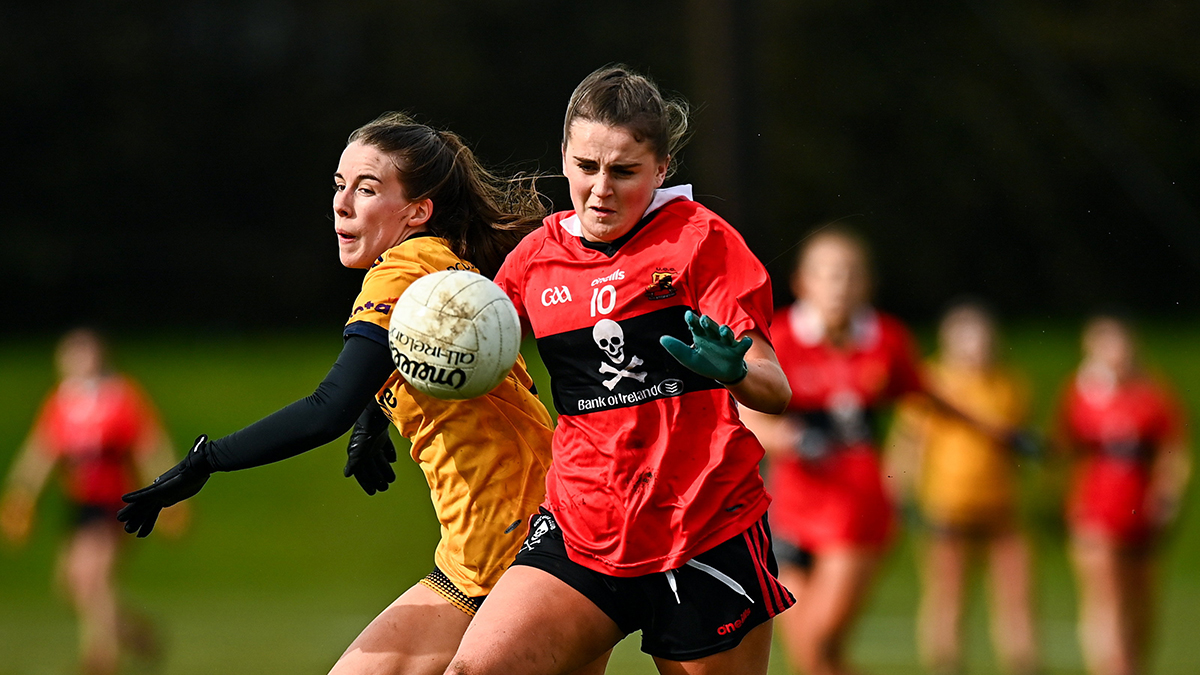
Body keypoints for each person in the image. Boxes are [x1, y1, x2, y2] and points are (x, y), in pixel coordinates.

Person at [116, 113, 556, 675]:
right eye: (338, 186)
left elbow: (326, 408)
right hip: (499, 538)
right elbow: (438, 364)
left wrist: (208, 460)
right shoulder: (439, 264)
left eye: (367, 189)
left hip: (510, 539)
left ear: (418, 211)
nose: (342, 204)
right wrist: (377, 415)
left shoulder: (399, 273)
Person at [440, 65, 794, 675]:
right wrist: (380, 395)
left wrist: (734, 372)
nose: (600, 188)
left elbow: (776, 389)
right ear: (565, 158)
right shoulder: (538, 257)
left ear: (661, 171)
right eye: (585, 166)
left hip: (703, 529)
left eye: (624, 171)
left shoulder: (700, 241)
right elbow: (471, 353)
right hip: (580, 531)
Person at [0, 328, 184, 675]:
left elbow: (150, 444)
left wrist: (169, 492)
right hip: (79, 505)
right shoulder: (62, 401)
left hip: (114, 502)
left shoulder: (121, 397)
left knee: (94, 578)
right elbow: (42, 451)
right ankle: (135, 633)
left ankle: (100, 660)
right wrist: (21, 493)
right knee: (70, 586)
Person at [887, 301, 1038, 675]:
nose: (977, 346)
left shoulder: (1010, 384)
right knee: (948, 597)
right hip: (946, 506)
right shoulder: (932, 381)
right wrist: (902, 496)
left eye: (983, 337)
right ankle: (947, 664)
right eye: (967, 337)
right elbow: (908, 445)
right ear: (949, 340)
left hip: (1001, 506)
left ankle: (1023, 663)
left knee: (1017, 594)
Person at [1056, 315, 1190, 675]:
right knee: (1106, 597)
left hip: (1141, 514)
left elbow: (1173, 452)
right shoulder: (1081, 393)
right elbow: (1064, 450)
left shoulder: (1153, 394)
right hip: (1095, 511)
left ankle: (1134, 665)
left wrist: (1168, 496)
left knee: (1142, 603)